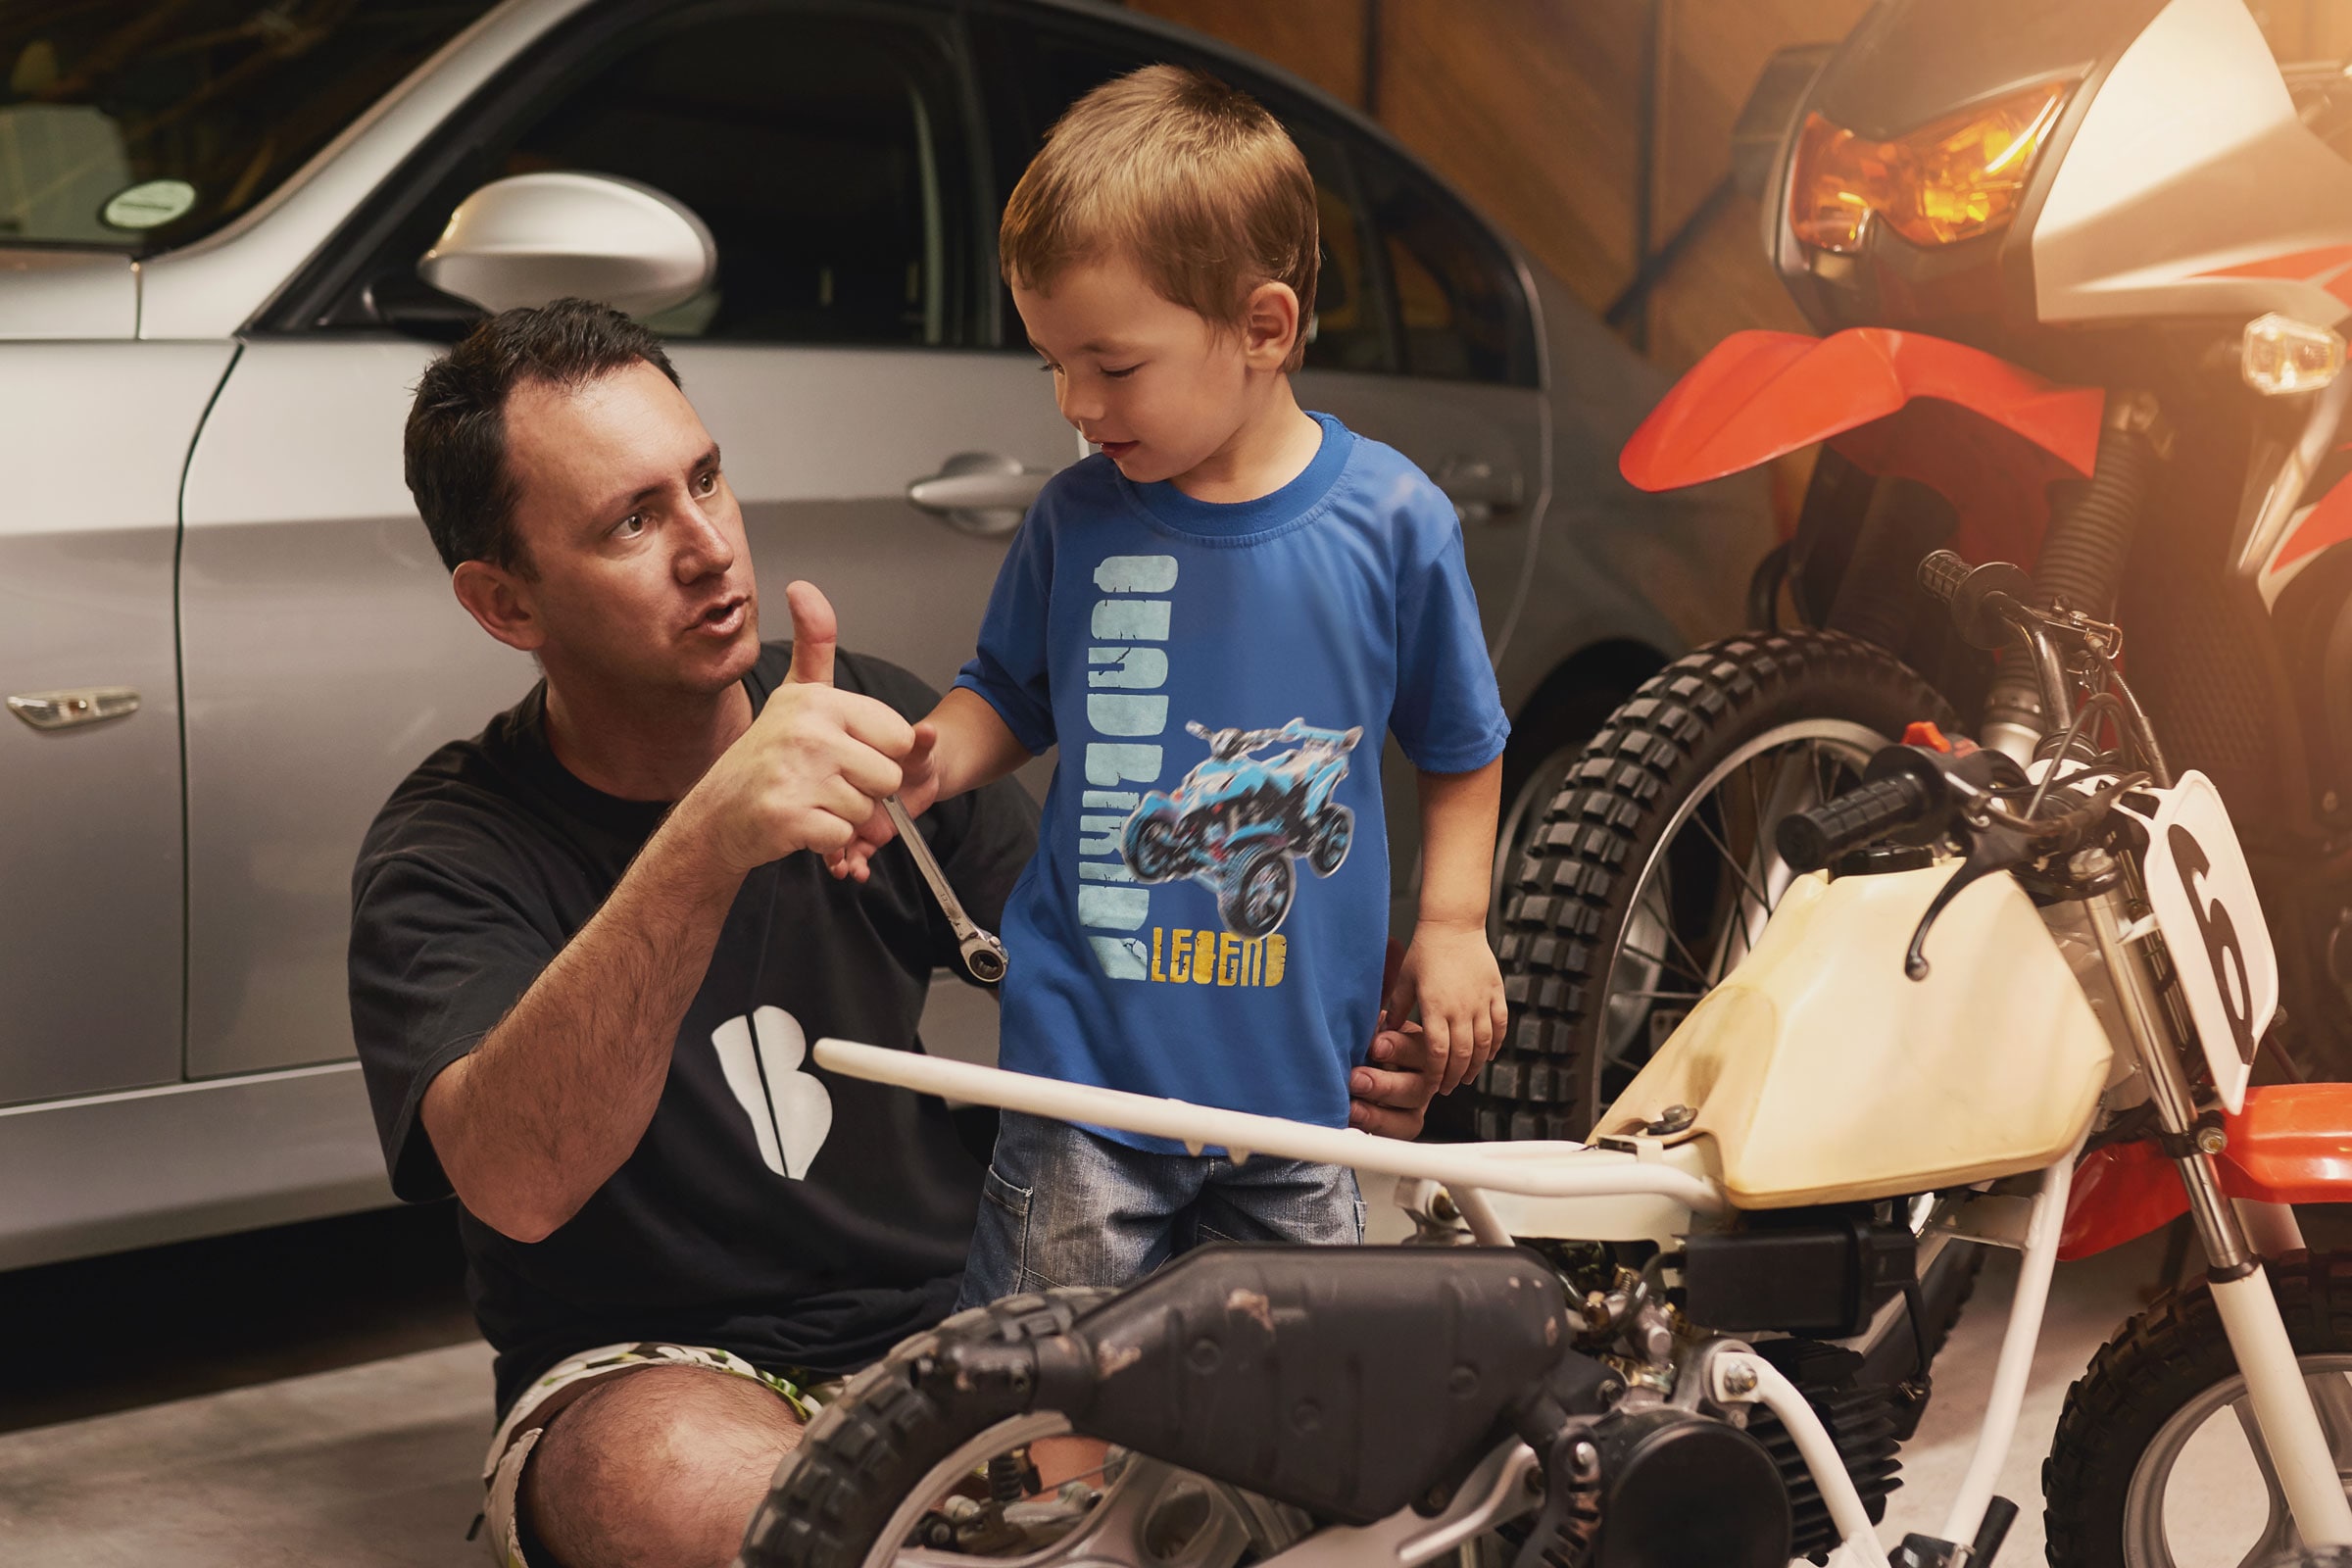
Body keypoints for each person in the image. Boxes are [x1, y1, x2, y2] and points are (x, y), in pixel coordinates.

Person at [348, 299, 1446, 1568]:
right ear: (505, 603)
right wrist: (708, 842)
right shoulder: (451, 849)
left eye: (705, 478)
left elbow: (1124, 985)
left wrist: (1335, 1055)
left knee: (1351, 1381)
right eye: (632, 522)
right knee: (652, 1475)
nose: (709, 546)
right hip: (664, 1366)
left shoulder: (862, 719)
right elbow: (519, 1183)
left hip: (956, 1314)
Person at [841, 66, 1513, 1307]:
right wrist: (936, 756)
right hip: (1083, 1085)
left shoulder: (1394, 522)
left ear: (1264, 328)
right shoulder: (1077, 518)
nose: (1075, 404)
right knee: (1051, 1376)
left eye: (1111, 364)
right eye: (1052, 364)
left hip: (1298, 1103)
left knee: (1292, 1393)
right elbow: (1009, 692)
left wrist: (1454, 925)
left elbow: (1461, 744)